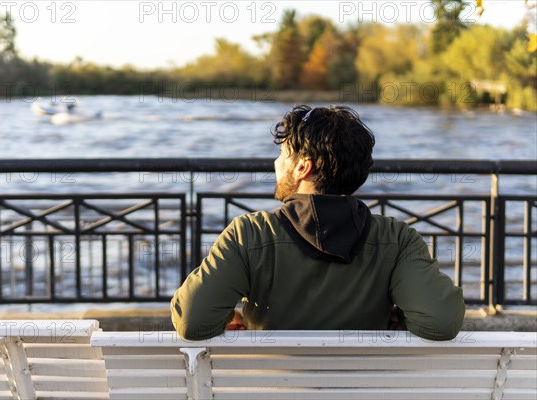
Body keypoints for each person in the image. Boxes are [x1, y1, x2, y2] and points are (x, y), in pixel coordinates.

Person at [171, 105, 465, 341]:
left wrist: (228, 316)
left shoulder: (249, 234)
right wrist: (398, 318)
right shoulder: (397, 238)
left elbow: (193, 322)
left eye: (281, 154)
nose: (276, 163)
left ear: (302, 167)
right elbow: (439, 321)